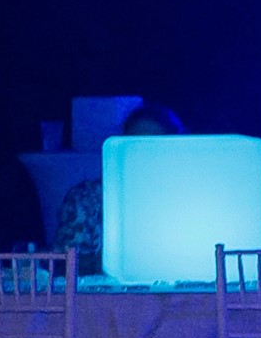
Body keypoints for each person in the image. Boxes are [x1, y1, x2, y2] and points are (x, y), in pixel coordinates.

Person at [54, 103, 179, 265]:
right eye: (134, 144)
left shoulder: (190, 199)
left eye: (153, 146)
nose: (142, 154)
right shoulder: (86, 198)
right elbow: (63, 264)